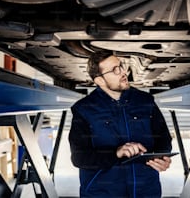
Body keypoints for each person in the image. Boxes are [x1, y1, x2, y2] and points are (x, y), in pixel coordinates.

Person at [68, 50, 173, 198]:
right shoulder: (84, 109)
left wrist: (161, 159)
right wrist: (116, 153)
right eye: (115, 70)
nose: (123, 72)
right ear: (99, 80)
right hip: (102, 193)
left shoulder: (145, 101)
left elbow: (163, 138)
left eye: (121, 66)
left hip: (146, 191)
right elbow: (79, 157)